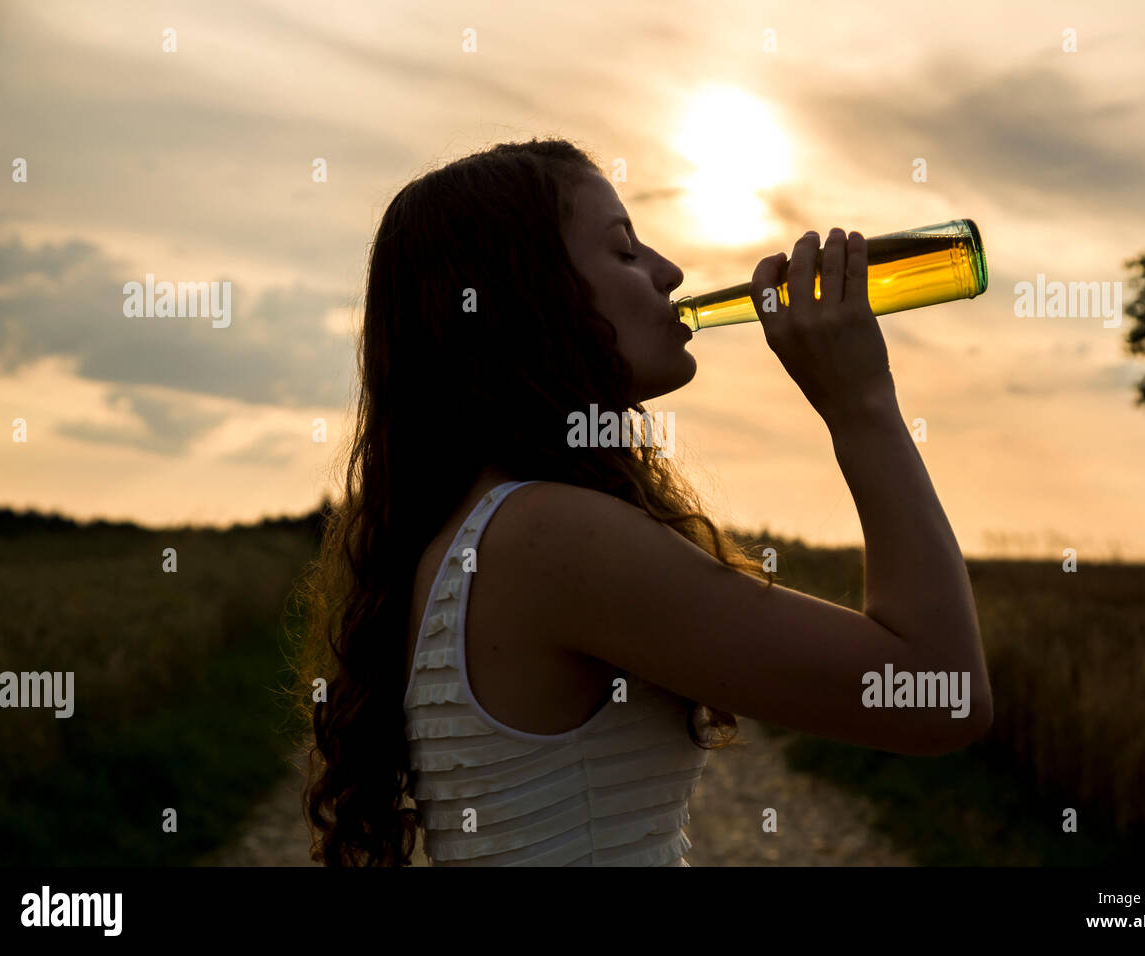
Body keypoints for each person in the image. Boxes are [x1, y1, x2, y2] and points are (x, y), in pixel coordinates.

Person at [294, 137, 993, 867]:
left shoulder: (480, 529)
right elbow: (937, 694)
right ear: (530, 296)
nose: (671, 273)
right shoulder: (549, 536)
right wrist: (863, 405)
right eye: (624, 252)